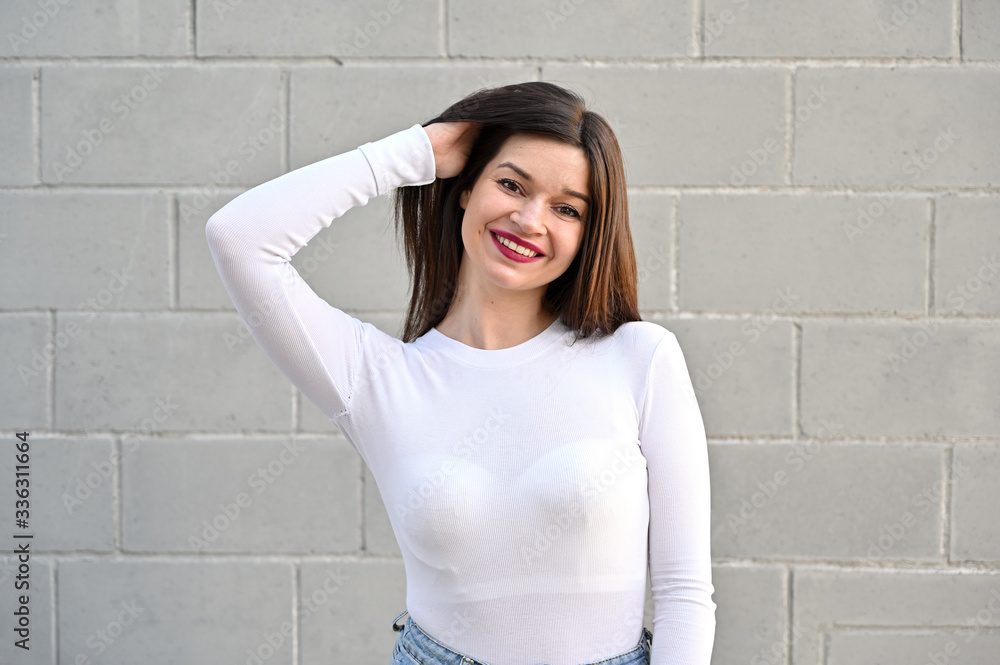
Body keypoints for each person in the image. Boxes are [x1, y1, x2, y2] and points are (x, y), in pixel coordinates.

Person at [206, 81, 716, 665]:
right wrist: (418, 151)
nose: (529, 219)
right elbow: (240, 238)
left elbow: (684, 595)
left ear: (588, 235)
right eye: (511, 184)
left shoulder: (639, 358)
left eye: (567, 208)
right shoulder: (375, 379)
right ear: (466, 187)